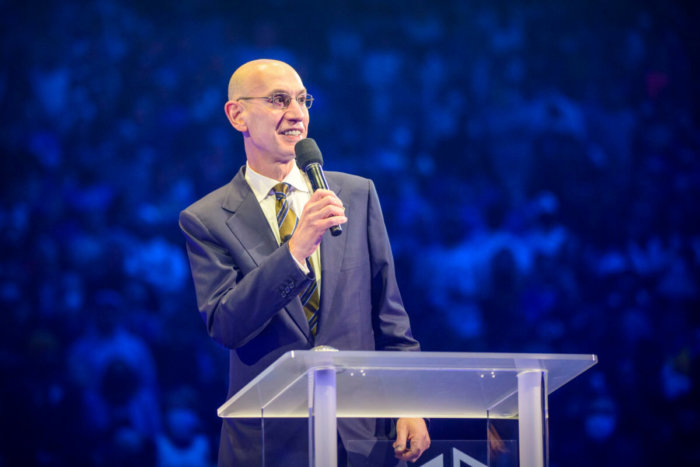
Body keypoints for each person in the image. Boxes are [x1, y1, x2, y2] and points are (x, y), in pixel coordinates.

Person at [179, 59, 429, 466]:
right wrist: (295, 252)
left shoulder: (356, 194)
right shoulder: (206, 219)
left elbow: (390, 319)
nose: (297, 113)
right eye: (279, 100)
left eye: (302, 100)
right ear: (237, 114)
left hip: (360, 436)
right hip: (268, 443)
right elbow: (226, 324)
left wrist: (410, 401)